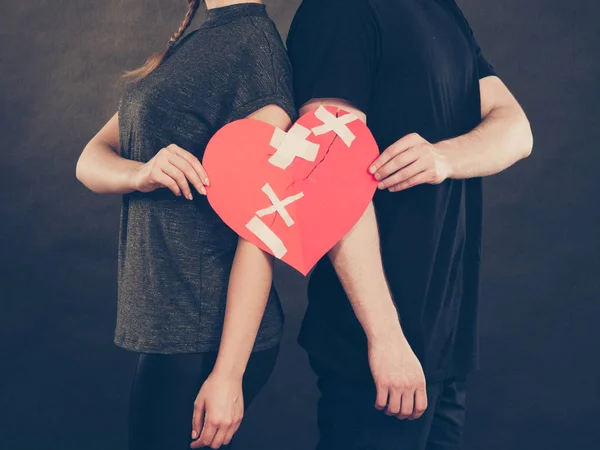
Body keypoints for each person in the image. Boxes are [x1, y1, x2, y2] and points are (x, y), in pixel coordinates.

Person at [287, 0, 534, 448]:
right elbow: (326, 179)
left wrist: (444, 158)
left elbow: (517, 129)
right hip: (378, 352)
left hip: (444, 348)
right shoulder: (337, 11)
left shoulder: (442, 9)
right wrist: (385, 338)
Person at [76, 1, 297, 449]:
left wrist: (229, 375)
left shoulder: (254, 49)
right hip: (171, 326)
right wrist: (140, 173)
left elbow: (263, 228)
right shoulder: (200, 39)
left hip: (206, 336)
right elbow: (89, 159)